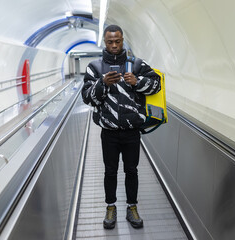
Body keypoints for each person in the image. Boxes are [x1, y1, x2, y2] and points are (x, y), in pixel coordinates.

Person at [81, 24, 161, 229]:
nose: (114, 45)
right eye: (110, 42)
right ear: (105, 42)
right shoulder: (95, 68)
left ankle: (132, 207)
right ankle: (110, 206)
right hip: (109, 132)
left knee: (132, 170)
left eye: (118, 41)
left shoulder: (136, 65)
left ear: (122, 40)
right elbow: (87, 98)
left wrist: (137, 81)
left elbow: (156, 84)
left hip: (132, 131)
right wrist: (102, 84)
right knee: (110, 171)